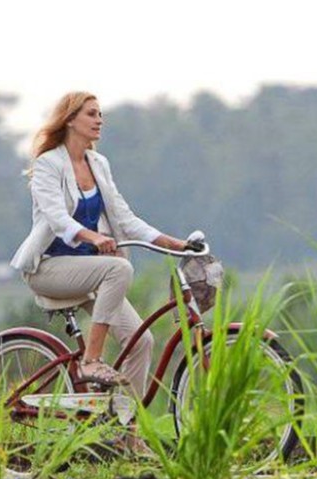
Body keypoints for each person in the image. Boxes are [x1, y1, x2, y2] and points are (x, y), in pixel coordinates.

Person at [10, 91, 192, 395]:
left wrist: (177, 245)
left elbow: (125, 218)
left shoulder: (98, 164)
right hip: (48, 269)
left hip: (88, 271)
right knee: (118, 269)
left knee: (140, 341)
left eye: (100, 114)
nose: (99, 120)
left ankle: (126, 434)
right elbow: (58, 219)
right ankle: (91, 360)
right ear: (69, 120)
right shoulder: (48, 164)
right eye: (91, 114)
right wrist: (93, 236)